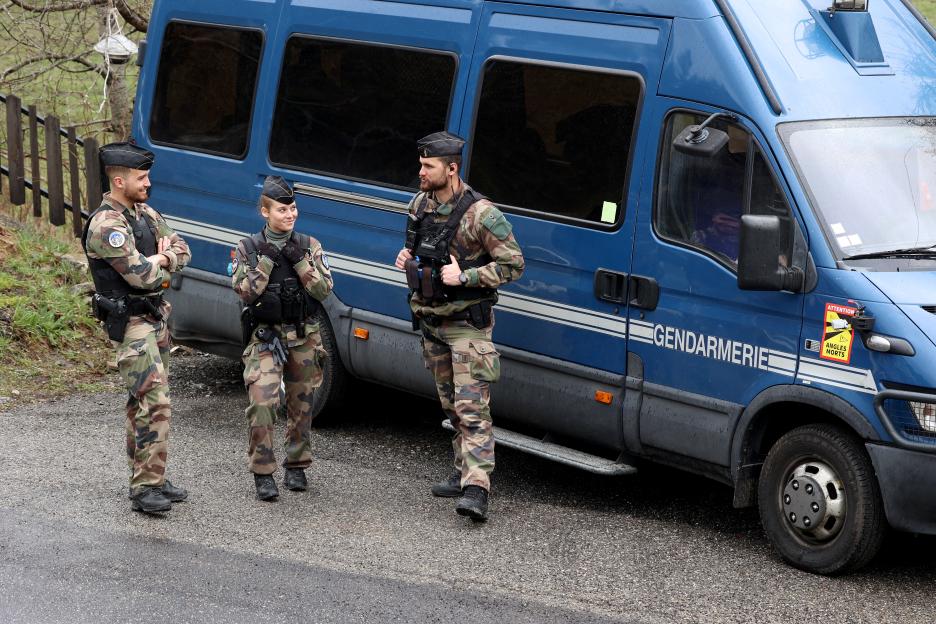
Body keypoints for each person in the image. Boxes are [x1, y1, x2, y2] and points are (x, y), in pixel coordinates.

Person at [394, 131, 525, 521]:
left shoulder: (482, 214)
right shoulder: (419, 204)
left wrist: (464, 276)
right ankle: (461, 470)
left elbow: (514, 264)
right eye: (420, 164)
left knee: (472, 409)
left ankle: (476, 488)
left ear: (451, 169)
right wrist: (408, 259)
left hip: (468, 325)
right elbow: (422, 252)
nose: (421, 172)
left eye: (428, 166)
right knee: (451, 405)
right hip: (432, 320)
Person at [82, 142, 191, 515]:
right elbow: (142, 276)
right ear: (118, 180)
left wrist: (165, 255)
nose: (148, 183)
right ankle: (146, 488)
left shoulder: (143, 212)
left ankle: (151, 474)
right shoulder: (106, 225)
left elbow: (184, 248)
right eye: (141, 177)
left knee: (141, 402)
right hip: (131, 324)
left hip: (155, 319)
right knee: (154, 401)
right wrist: (161, 258)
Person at [232, 175, 334, 501]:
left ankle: (297, 464)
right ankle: (263, 472)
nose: (290, 215)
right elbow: (246, 292)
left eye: (293, 208)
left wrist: (299, 260)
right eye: (282, 209)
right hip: (266, 339)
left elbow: (323, 290)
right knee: (262, 403)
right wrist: (266, 259)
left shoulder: (309, 245)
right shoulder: (247, 249)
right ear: (265, 212)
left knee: (302, 406)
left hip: (304, 337)